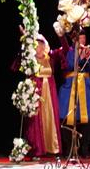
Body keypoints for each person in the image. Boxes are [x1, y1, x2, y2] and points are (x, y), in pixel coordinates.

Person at [19, 31, 62, 159]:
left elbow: (64, 51)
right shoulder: (31, 60)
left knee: (50, 118)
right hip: (37, 92)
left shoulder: (50, 58)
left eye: (41, 45)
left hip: (49, 93)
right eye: (36, 45)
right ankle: (37, 149)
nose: (39, 48)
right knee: (37, 120)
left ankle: (52, 147)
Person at [56, 29, 90, 158]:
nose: (83, 41)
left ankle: (85, 149)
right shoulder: (68, 51)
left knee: (86, 119)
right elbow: (68, 66)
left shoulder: (88, 52)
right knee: (67, 118)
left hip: (84, 87)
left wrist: (88, 58)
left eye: (84, 38)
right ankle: (69, 149)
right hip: (70, 88)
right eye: (80, 39)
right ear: (74, 40)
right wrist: (80, 58)